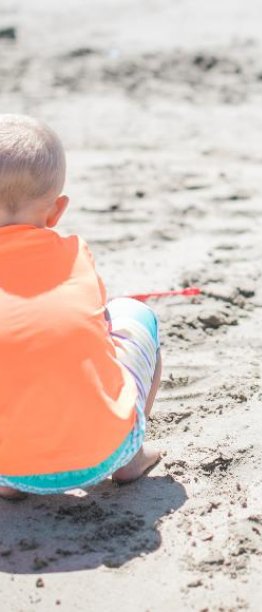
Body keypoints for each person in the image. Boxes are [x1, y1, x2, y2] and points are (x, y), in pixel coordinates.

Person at [0, 115, 161, 499]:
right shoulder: (74, 254)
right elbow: (99, 330)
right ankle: (131, 458)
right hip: (103, 454)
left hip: (9, 466)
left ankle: (11, 481)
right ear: (56, 211)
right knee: (137, 315)